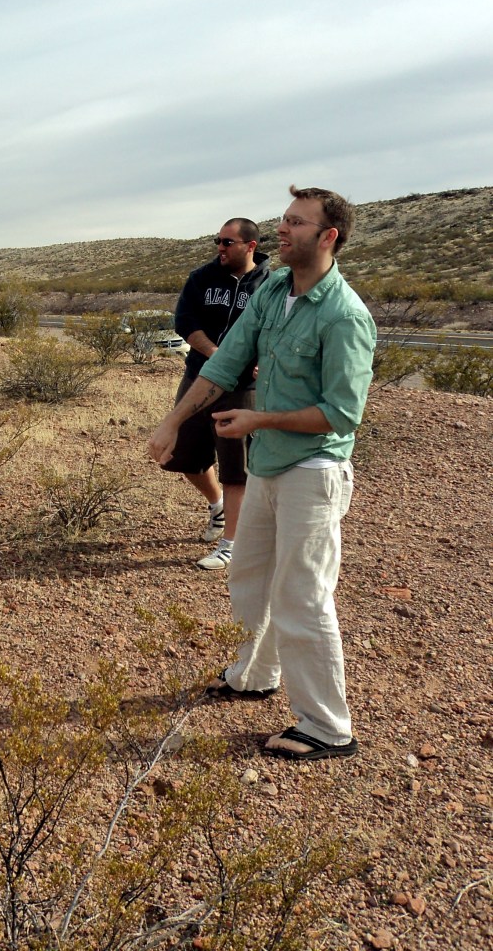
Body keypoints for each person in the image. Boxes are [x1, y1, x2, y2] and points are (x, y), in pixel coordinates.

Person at [149, 186, 376, 762]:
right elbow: (225, 360)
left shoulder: (345, 316)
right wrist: (175, 420)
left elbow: (341, 414)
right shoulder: (274, 289)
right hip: (271, 461)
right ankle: (255, 674)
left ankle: (327, 726)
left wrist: (259, 418)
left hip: (314, 469)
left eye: (296, 223)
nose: (283, 230)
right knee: (248, 574)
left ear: (328, 237)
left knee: (303, 596)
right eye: (282, 221)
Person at [167, 218, 270, 570]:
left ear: (250, 246)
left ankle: (231, 544)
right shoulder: (202, 278)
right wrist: (218, 356)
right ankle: (218, 505)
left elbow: (278, 328)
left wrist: (263, 360)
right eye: (218, 241)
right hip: (200, 377)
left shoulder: (270, 284)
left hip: (244, 388)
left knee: (235, 467)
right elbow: (185, 321)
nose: (220, 248)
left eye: (227, 242)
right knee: (179, 455)